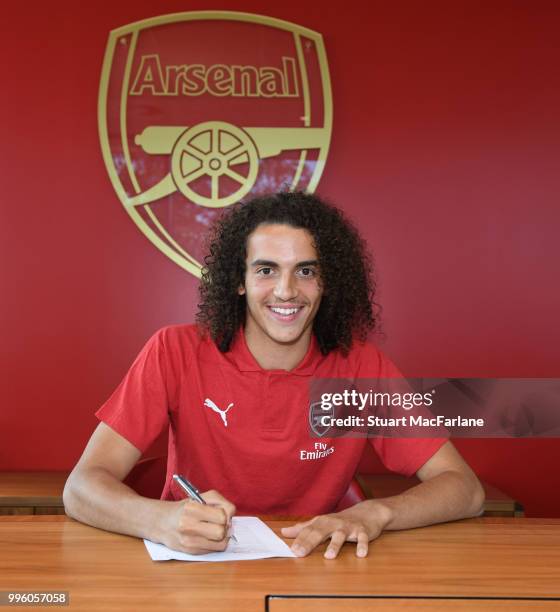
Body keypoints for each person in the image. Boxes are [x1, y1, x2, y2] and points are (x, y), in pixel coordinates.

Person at [64, 191, 484, 559]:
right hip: (192, 571)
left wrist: (376, 512)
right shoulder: (174, 351)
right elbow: (81, 488)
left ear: (326, 283)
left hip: (314, 566)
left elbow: (464, 489)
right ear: (240, 281)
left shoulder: (361, 366)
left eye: (306, 270)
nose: (286, 291)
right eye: (266, 270)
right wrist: (160, 520)